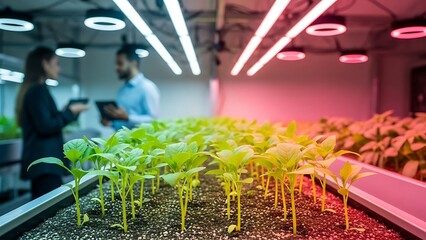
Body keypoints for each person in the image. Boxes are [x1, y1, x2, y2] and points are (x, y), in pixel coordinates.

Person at [16, 47, 88, 199]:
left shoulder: (34, 90)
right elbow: (46, 126)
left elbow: (45, 121)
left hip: (44, 164)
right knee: (46, 211)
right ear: (45, 64)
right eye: (56, 63)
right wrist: (70, 112)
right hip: (45, 165)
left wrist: (65, 113)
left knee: (44, 207)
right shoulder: (38, 90)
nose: (59, 68)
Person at [101, 46, 160, 130]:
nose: (116, 68)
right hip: (121, 140)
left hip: (139, 142)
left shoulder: (147, 87)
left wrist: (128, 118)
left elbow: (153, 120)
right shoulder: (122, 89)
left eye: (120, 63)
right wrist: (111, 122)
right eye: (116, 64)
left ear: (133, 63)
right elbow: (123, 122)